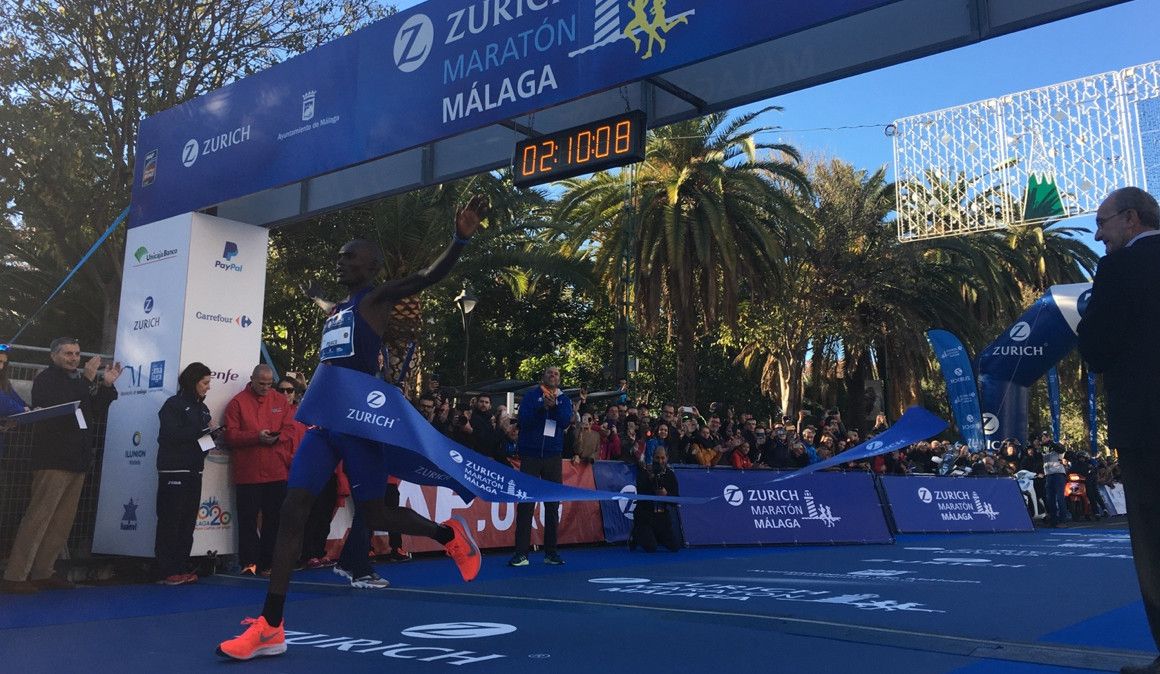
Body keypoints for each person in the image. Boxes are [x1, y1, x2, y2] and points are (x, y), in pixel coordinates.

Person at [217, 195, 487, 661]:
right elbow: (328, 303)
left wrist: (459, 239)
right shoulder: (338, 307)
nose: (340, 261)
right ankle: (270, 625)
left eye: (349, 256)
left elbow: (428, 277)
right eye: (339, 256)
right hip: (324, 422)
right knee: (292, 509)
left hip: (361, 423)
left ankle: (450, 536)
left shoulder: (377, 299)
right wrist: (313, 296)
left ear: (372, 265)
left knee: (377, 515)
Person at [1076, 186, 1160, 674]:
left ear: (1130, 219)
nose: (1099, 234)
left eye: (1102, 223)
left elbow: (1097, 349)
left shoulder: (1120, 269)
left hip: (1148, 431)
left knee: (1154, 545)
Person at [1, 337, 121, 594]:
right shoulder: (46, 379)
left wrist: (107, 386)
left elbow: (93, 412)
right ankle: (15, 574)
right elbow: (65, 407)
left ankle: (44, 570)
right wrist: (89, 381)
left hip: (77, 459)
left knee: (62, 521)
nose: (74, 358)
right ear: (53, 355)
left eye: (77, 353)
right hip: (53, 458)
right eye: (68, 353)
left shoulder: (77, 381)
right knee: (39, 517)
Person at [223, 364, 296, 576]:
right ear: (252, 380)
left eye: (269, 384)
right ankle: (249, 563)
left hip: (276, 471)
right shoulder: (238, 402)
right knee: (247, 520)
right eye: (261, 383)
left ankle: (268, 563)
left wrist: (276, 438)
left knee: (274, 520)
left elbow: (290, 429)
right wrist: (256, 437)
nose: (266, 387)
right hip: (249, 473)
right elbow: (231, 435)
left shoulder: (280, 401)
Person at [155, 362, 215, 585]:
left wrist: (213, 438)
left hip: (195, 469)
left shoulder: (203, 408)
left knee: (187, 521)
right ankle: (166, 570)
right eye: (205, 383)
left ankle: (181, 566)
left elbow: (203, 439)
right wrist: (200, 432)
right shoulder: (174, 404)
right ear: (193, 382)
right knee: (171, 520)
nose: (208, 388)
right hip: (174, 469)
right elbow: (170, 434)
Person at [508, 366, 573, 568]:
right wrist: (541, 408)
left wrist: (553, 407)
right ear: (543, 377)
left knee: (552, 505)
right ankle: (521, 554)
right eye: (549, 373)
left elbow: (564, 422)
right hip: (531, 456)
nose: (553, 376)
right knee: (526, 505)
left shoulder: (564, 399)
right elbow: (524, 421)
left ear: (560, 379)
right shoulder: (531, 396)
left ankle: (551, 552)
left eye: (556, 374)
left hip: (553, 456)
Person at [630, 447, 681, 552]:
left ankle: (657, 536)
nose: (660, 461)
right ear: (653, 458)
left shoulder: (670, 475)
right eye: (657, 458)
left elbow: (676, 500)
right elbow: (641, 494)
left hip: (662, 516)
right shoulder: (645, 473)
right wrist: (651, 481)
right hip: (645, 515)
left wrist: (666, 495)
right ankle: (637, 533)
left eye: (663, 458)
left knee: (675, 547)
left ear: (667, 458)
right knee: (651, 548)